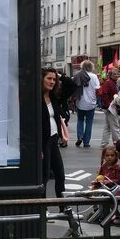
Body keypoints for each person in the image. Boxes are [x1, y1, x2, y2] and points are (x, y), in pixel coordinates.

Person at [41, 68, 66, 202]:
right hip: (43, 142)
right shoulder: (35, 98)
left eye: (54, 79)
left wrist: (61, 76)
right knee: (44, 177)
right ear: (41, 79)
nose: (52, 82)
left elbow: (72, 86)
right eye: (49, 78)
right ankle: (42, 208)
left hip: (54, 139)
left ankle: (63, 207)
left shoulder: (53, 97)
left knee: (60, 175)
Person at [73, 60, 99, 147]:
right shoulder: (94, 76)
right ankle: (86, 141)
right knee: (89, 122)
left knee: (80, 120)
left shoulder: (78, 75)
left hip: (80, 101)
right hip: (91, 102)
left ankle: (80, 136)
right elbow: (97, 88)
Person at [97, 67, 120, 147]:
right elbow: (105, 94)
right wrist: (108, 105)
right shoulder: (109, 83)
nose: (116, 75)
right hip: (110, 107)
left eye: (117, 74)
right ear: (110, 75)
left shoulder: (112, 82)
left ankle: (104, 143)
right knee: (114, 126)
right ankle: (117, 143)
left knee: (107, 126)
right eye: (114, 74)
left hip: (109, 107)